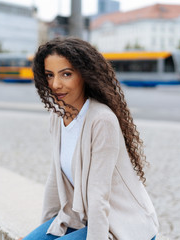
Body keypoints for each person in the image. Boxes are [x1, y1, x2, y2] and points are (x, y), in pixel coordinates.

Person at [21, 37, 158, 240]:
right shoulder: (57, 116)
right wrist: (45, 231)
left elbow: (98, 195)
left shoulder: (101, 120)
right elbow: (54, 178)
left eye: (66, 74)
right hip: (80, 219)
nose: (56, 84)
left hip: (123, 225)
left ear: (84, 75)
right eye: (50, 75)